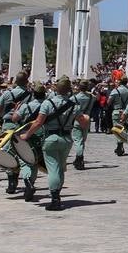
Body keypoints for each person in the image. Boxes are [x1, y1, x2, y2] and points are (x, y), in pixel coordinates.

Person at [19, 76, 90, 212]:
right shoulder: (74, 105)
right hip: (66, 139)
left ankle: (55, 198)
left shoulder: (48, 103)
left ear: (56, 89)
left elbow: (38, 122)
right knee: (61, 168)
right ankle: (57, 193)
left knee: (53, 169)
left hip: (50, 138)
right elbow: (83, 122)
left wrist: (27, 135)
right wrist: (87, 118)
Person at [0, 72, 31, 195]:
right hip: (23, 126)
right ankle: (28, 181)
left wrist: (4, 114)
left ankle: (11, 182)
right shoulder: (31, 95)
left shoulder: (8, 93)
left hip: (8, 125)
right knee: (23, 154)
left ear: (16, 81)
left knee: (8, 153)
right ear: (27, 81)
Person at [70, 79, 94, 170]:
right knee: (82, 140)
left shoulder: (74, 98)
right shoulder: (91, 97)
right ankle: (78, 158)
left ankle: (79, 159)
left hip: (77, 119)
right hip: (87, 119)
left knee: (78, 141)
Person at [108, 75, 128, 157]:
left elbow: (108, 102)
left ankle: (119, 145)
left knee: (117, 129)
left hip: (117, 110)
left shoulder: (115, 91)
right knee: (124, 129)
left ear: (120, 81)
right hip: (127, 111)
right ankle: (122, 144)